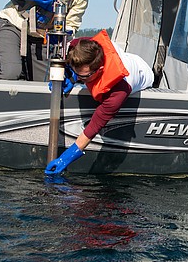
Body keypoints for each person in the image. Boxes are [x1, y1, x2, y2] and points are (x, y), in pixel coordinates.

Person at [44, 30, 153, 176]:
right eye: (78, 74)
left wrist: (65, 158)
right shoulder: (82, 46)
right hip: (121, 56)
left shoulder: (119, 91)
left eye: (84, 76)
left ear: (99, 70)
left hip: (143, 73)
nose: (81, 80)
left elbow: (93, 127)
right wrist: (68, 75)